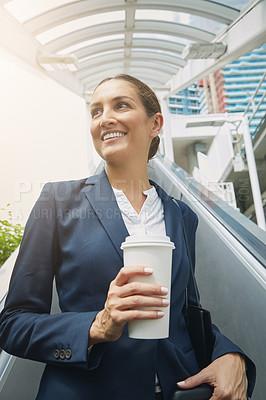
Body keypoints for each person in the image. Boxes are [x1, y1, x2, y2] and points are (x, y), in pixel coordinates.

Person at [0, 74, 255, 400]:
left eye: (121, 105)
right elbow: (13, 324)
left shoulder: (181, 214)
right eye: (96, 111)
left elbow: (187, 311)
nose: (105, 118)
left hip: (175, 389)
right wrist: (96, 326)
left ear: (155, 124)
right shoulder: (58, 202)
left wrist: (229, 354)